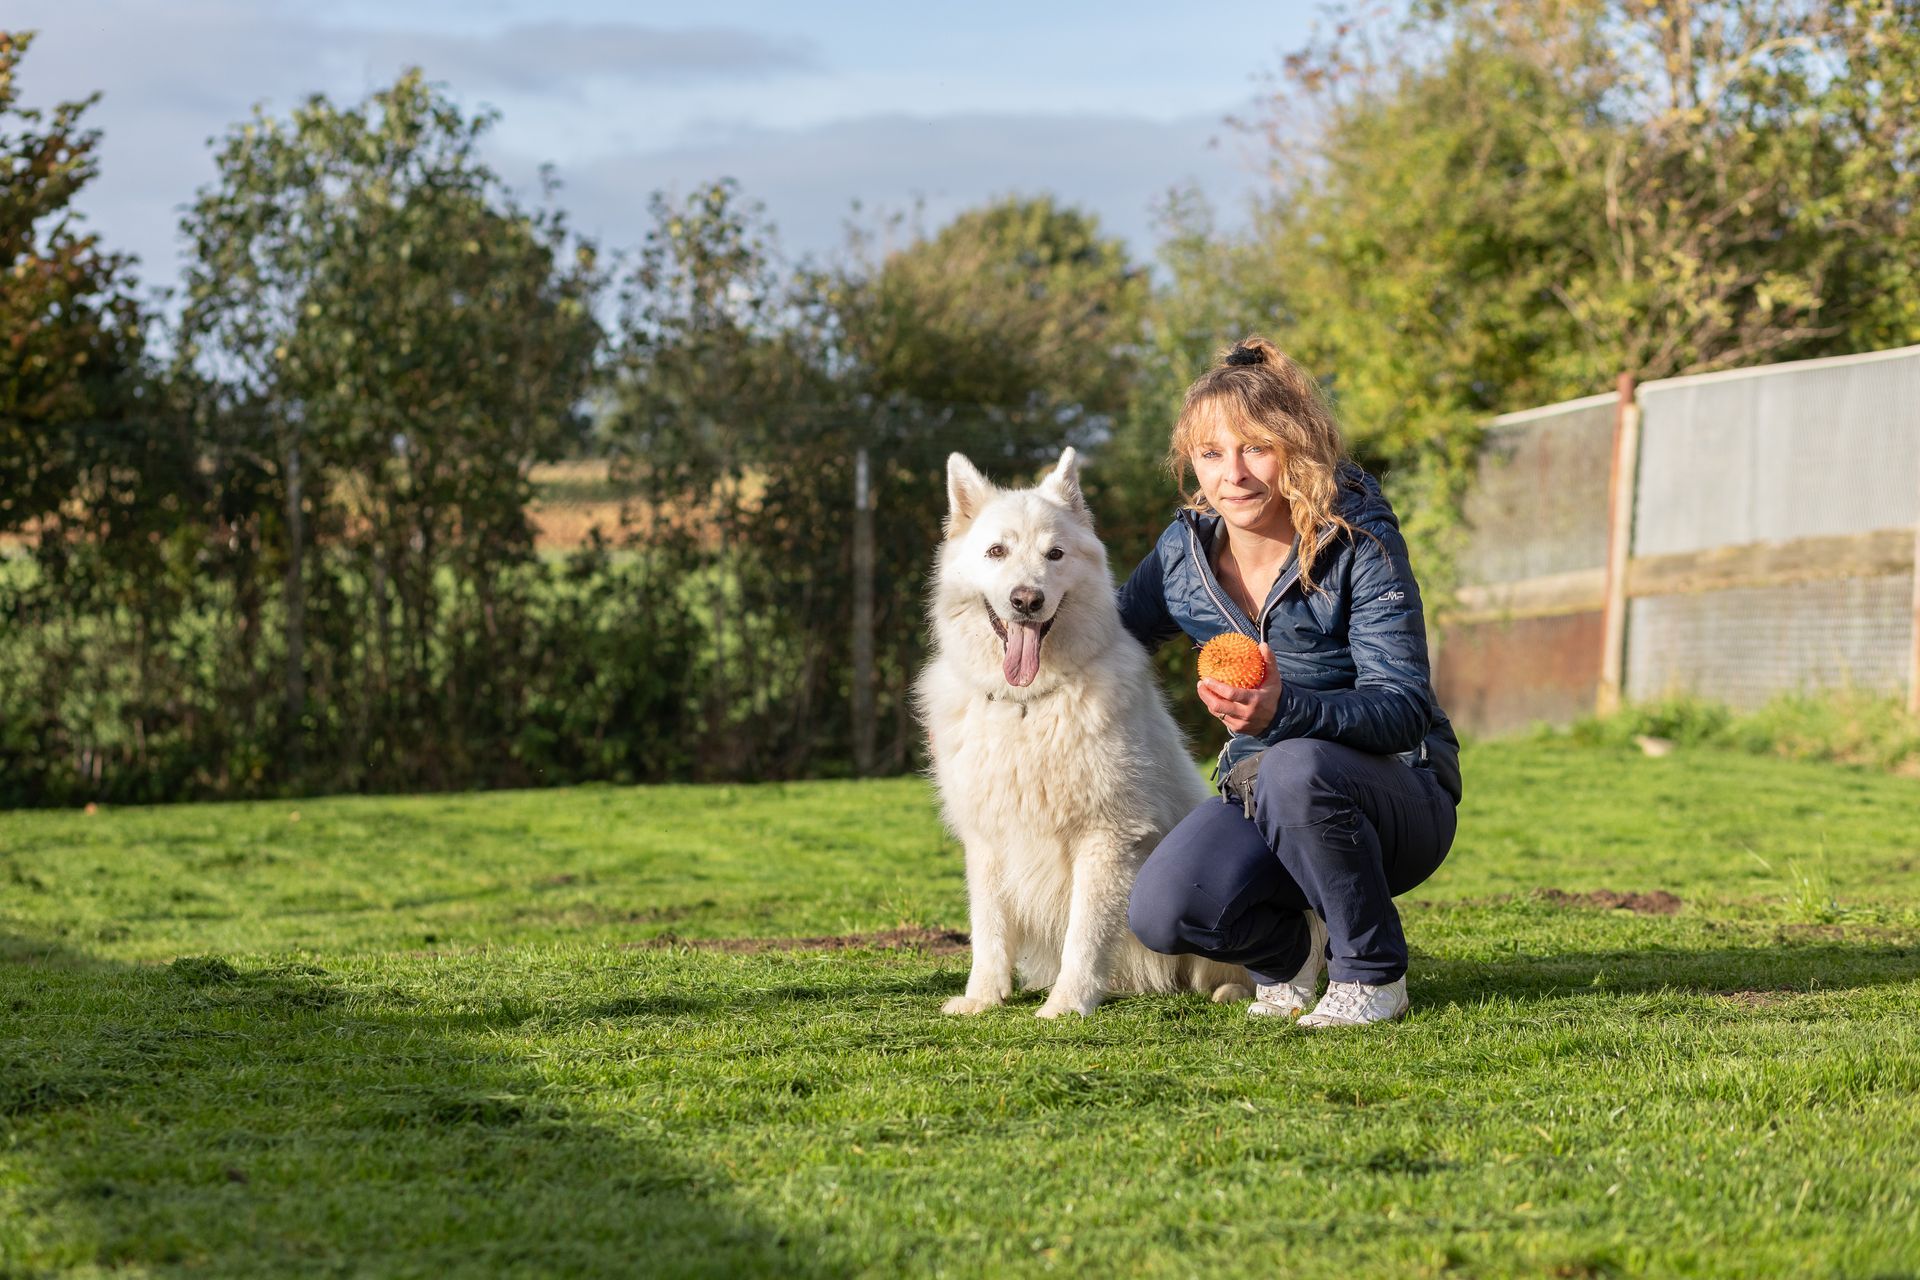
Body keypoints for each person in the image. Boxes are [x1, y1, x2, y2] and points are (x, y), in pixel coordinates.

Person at [1118, 336, 1462, 1028]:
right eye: (1210, 453)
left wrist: (1285, 709)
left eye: (1257, 449)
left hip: (1398, 795)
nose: (1233, 475)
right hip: (1259, 793)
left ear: (1296, 449)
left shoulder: (1357, 542)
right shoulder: (1183, 554)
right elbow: (1110, 637)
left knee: (1294, 764)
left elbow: (1403, 708)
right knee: (1164, 910)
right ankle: (1287, 956)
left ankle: (1371, 973)